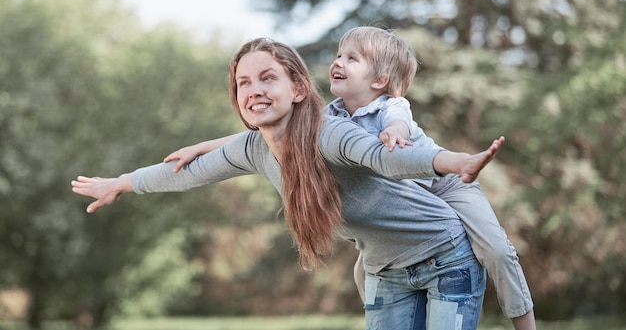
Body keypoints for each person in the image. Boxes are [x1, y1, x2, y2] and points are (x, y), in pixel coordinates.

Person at [72, 38, 504, 330]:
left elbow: (387, 157)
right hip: (385, 270)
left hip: (445, 256)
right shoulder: (253, 149)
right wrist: (123, 183)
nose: (253, 90)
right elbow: (187, 173)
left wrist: (457, 161)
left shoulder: (330, 133)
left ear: (298, 88)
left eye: (267, 78)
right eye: (244, 82)